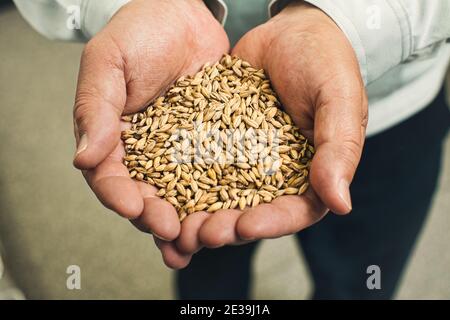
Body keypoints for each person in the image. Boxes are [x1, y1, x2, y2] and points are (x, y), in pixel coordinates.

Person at [13, 0, 450, 299]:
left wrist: (349, 21)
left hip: (390, 98)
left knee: (361, 279)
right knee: (204, 264)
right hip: (170, 65)